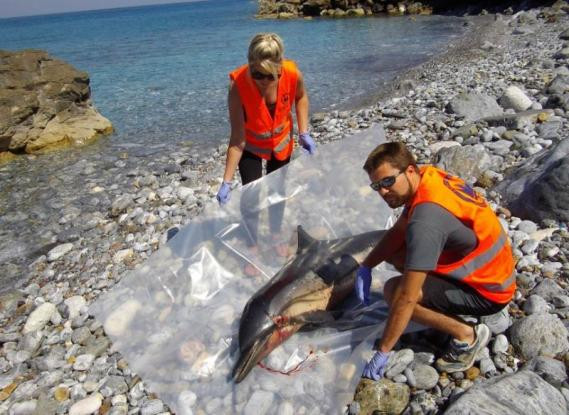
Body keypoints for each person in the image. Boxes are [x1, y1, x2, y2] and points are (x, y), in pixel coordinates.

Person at [355, 142, 515, 379]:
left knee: (393, 291)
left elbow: (406, 298)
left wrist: (383, 350)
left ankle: (467, 336)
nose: (383, 192)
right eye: (376, 186)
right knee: (397, 253)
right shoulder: (428, 177)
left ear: (409, 171)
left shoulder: (426, 220)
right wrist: (367, 266)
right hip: (490, 267)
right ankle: (441, 305)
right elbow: (399, 231)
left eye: (388, 182)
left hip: (489, 290)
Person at [216, 33, 314, 266]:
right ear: (249, 66)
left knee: (277, 191)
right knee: (251, 196)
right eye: (257, 74)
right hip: (250, 145)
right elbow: (237, 137)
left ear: (280, 68)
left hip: (281, 143)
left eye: (270, 76)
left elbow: (301, 98)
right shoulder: (238, 86)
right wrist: (226, 181)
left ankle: (275, 234)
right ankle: (252, 243)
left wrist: (303, 131)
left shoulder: (291, 73)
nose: (263, 81)